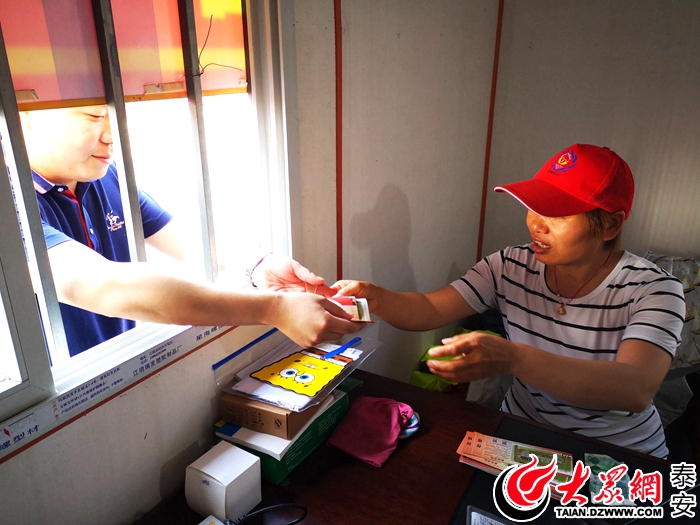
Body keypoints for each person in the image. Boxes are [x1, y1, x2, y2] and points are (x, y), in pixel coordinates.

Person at [332, 144, 685, 458]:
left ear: (610, 226)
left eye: (558, 213)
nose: (536, 225)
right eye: (534, 206)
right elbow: (430, 308)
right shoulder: (509, 265)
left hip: (618, 454)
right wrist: (376, 298)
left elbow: (634, 388)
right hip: (523, 435)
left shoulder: (655, 290)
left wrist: (513, 358)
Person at [19, 104, 360, 356]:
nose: (112, 136)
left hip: (116, 366)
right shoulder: (12, 205)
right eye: (94, 116)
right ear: (25, 113)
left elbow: (181, 238)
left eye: (116, 115)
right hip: (58, 394)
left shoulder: (104, 176)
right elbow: (108, 288)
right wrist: (272, 309)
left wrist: (257, 265)